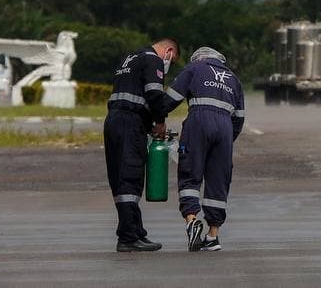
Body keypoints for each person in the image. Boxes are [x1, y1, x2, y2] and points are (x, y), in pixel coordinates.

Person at [161, 46, 246, 251]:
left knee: (190, 172)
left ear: (199, 58)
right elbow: (240, 118)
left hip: (198, 121)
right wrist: (225, 140)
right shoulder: (233, 79)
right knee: (219, 179)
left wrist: (155, 116)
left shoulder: (194, 68)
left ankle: (192, 220)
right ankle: (212, 236)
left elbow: (171, 99)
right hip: (225, 127)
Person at [104, 37, 180, 252]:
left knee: (121, 177)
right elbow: (155, 95)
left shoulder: (129, 58)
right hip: (130, 122)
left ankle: (135, 231)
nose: (169, 64)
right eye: (172, 60)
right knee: (130, 176)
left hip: (115, 120)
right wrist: (160, 121)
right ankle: (128, 237)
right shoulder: (153, 60)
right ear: (169, 50)